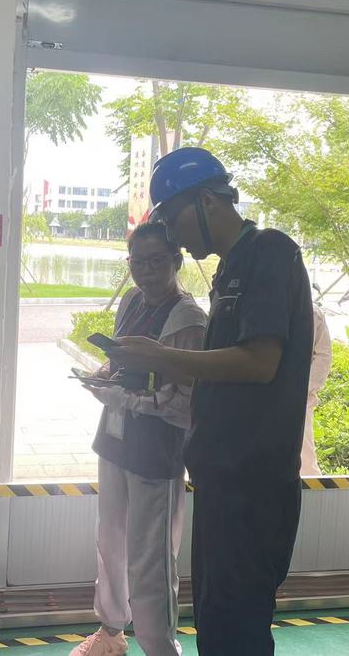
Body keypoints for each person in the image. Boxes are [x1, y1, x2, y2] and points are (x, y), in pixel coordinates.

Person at [109, 147, 313, 655]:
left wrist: (162, 356)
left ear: (207, 201)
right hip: (222, 476)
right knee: (217, 621)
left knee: (237, 627)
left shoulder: (270, 253)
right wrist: (147, 368)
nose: (174, 236)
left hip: (254, 484)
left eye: (173, 221)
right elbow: (221, 371)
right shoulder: (229, 270)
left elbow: (259, 362)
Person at [72, 222, 207, 656]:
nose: (146, 271)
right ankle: (111, 632)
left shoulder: (188, 321)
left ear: (177, 262)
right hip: (115, 440)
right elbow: (121, 362)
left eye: (156, 261)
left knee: (151, 560)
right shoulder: (132, 301)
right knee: (110, 540)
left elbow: (185, 402)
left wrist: (126, 398)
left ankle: (160, 648)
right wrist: (103, 377)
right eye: (138, 261)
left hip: (156, 451)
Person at [300, 304, 333, 476]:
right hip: (267, 395)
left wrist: (302, 389)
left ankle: (309, 490)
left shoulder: (312, 312)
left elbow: (323, 357)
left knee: (304, 456)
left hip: (300, 401)